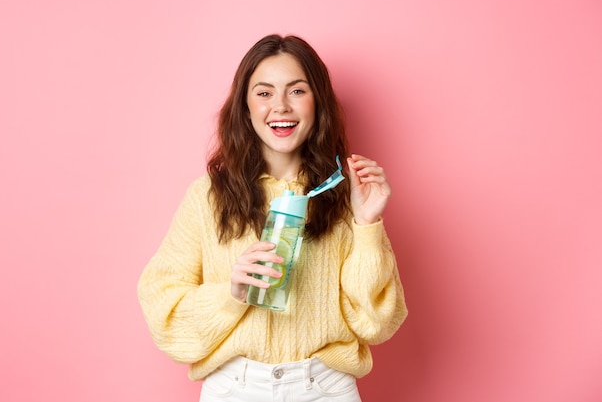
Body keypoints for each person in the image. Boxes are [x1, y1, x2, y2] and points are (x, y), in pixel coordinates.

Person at [137, 34, 407, 402]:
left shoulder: (347, 195)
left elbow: (375, 322)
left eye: (297, 91)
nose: (280, 106)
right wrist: (231, 294)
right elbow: (164, 312)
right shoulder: (207, 197)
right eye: (264, 93)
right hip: (234, 388)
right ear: (245, 108)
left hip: (325, 389)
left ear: (318, 104)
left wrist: (366, 226)